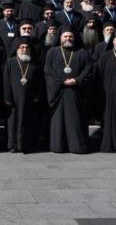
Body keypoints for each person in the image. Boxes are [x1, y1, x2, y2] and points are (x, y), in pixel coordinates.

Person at [44, 26, 93, 154]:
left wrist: (77, 80)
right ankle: (58, 146)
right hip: (58, 93)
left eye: (70, 36)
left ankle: (77, 146)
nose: (68, 38)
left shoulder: (83, 52)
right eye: (65, 36)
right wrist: (61, 82)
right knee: (58, 121)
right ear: (60, 38)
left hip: (76, 93)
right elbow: (48, 71)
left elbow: (88, 69)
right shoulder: (52, 52)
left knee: (75, 120)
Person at [2, 36, 45, 153]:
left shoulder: (35, 63)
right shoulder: (10, 62)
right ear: (17, 49)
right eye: (22, 47)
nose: (25, 49)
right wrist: (7, 97)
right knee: (13, 122)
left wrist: (37, 95)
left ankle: (27, 144)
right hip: (14, 100)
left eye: (26, 47)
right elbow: (6, 81)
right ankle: (13, 145)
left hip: (30, 99)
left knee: (29, 122)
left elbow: (40, 81)